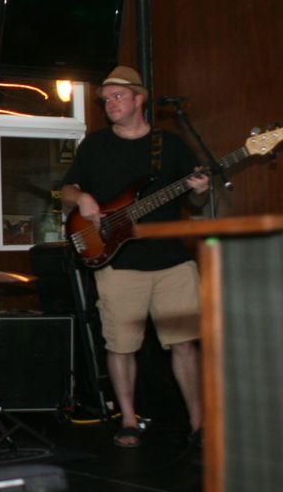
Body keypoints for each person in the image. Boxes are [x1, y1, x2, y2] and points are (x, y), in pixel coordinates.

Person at [60, 66, 210, 449]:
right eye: (106, 98)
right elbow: (66, 190)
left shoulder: (170, 144)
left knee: (185, 344)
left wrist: (200, 191)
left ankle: (199, 424)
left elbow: (196, 202)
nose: (110, 103)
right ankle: (128, 419)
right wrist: (82, 197)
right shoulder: (95, 145)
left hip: (173, 261)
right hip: (118, 263)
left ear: (139, 99)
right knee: (120, 345)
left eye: (118, 96)